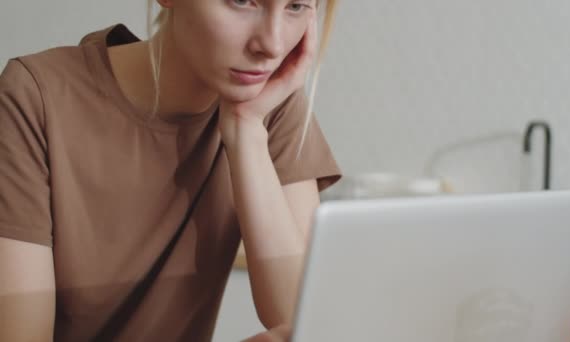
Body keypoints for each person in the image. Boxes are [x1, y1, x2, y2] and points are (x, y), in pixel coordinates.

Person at [0, 0, 341, 340]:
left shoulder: (269, 104)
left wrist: (246, 131)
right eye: (242, 0)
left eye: (296, 6)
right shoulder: (36, 98)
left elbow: (302, 323)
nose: (272, 44)